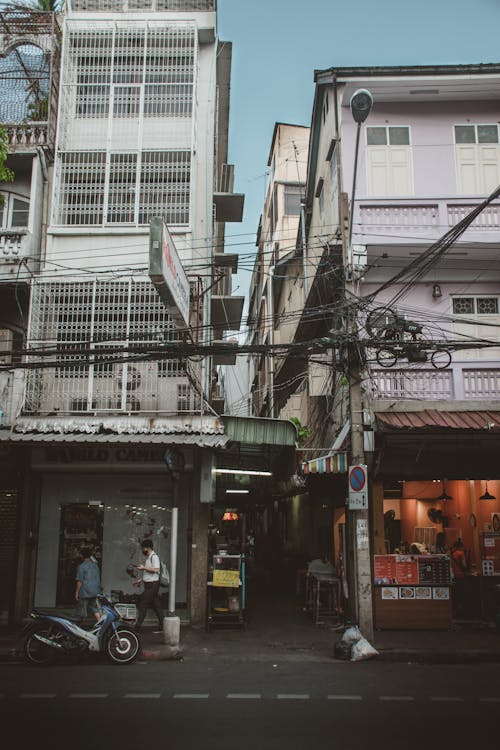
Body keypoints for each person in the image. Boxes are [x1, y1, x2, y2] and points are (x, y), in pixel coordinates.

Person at [133, 539, 164, 633]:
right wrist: (140, 580)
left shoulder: (154, 557)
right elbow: (149, 573)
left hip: (152, 585)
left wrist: (143, 568)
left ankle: (136, 628)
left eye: (144, 548)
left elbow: (156, 570)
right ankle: (163, 625)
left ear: (148, 548)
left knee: (143, 605)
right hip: (150, 585)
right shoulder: (149, 557)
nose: (143, 550)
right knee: (156, 606)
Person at [75, 547, 102, 623]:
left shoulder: (81, 566)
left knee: (81, 610)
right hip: (95, 590)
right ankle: (100, 624)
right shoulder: (95, 566)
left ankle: (78, 628)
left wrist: (77, 592)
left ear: (82, 556)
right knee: (95, 609)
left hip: (85, 591)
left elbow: (80, 581)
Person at [450, 540, 468, 617]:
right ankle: (461, 612)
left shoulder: (452, 554)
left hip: (453, 577)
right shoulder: (461, 553)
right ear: (461, 546)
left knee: (455, 595)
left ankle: (455, 611)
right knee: (462, 595)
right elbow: (464, 565)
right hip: (460, 576)